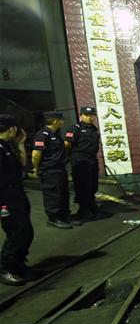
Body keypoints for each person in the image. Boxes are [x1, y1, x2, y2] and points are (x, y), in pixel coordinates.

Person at [0, 115, 34, 285]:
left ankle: (19, 265)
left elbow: (20, 167)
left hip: (17, 195)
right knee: (16, 233)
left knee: (26, 232)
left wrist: (20, 144)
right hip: (5, 199)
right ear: (11, 129)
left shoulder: (6, 146)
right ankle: (6, 269)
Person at [33, 111, 79, 229]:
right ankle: (54, 218)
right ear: (55, 121)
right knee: (52, 194)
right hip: (49, 170)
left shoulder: (55, 133)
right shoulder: (42, 135)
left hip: (59, 169)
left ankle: (64, 217)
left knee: (63, 194)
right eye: (61, 120)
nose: (62, 122)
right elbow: (36, 154)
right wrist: (36, 168)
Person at [66, 106, 104, 220]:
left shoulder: (94, 128)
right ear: (81, 116)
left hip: (92, 159)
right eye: (87, 115)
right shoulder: (75, 128)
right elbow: (67, 144)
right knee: (83, 186)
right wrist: (72, 158)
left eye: (92, 115)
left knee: (93, 185)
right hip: (80, 160)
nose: (89, 117)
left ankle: (92, 207)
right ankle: (83, 210)